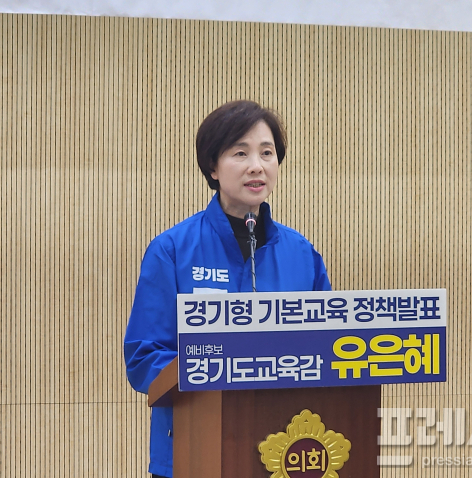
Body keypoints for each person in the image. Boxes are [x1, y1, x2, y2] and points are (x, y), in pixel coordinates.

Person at [123, 100, 331, 477]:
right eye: (240, 153)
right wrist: (216, 370)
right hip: (193, 451)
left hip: (283, 452)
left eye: (267, 153)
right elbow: (143, 358)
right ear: (213, 167)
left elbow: (327, 348)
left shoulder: (303, 255)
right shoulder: (172, 251)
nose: (257, 165)